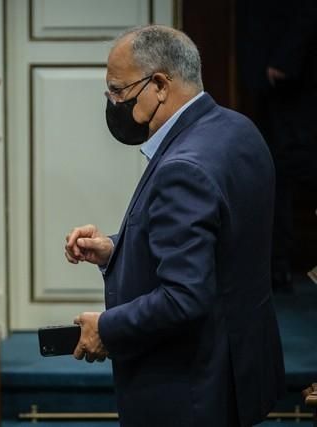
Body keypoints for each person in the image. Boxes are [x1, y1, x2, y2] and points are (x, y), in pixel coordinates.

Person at [64, 25, 285, 427]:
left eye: (117, 90)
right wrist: (117, 249)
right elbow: (223, 245)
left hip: (190, 388)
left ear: (160, 85)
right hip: (237, 368)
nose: (112, 103)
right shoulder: (238, 130)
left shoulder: (183, 167)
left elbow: (184, 298)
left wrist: (107, 328)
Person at [236, 0, 317, 292]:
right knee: (275, 171)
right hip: (268, 81)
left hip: (292, 82)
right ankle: (276, 267)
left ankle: (280, 266)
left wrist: (284, 60)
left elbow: (306, 10)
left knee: (293, 166)